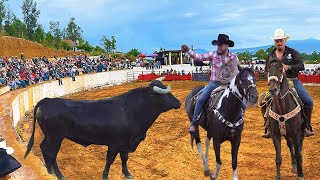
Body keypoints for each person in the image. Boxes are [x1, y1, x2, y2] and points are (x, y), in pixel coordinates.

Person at [181, 34, 239, 133]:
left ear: (226, 46)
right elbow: (199, 57)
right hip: (214, 83)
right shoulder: (213, 54)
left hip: (228, 85)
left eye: (220, 45)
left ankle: (239, 121)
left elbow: (238, 71)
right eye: (218, 45)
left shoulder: (233, 58)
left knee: (241, 101)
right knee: (201, 99)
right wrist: (188, 50)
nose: (218, 47)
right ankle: (194, 123)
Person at [262, 28, 314, 138]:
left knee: (308, 101)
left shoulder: (293, 53)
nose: (279, 43)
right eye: (277, 41)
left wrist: (288, 67)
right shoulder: (270, 55)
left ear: (285, 41)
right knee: (263, 101)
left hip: (292, 81)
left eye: (281, 40)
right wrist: (270, 80)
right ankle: (269, 127)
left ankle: (305, 126)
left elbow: (301, 66)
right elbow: (266, 69)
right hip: (276, 83)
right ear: (274, 42)